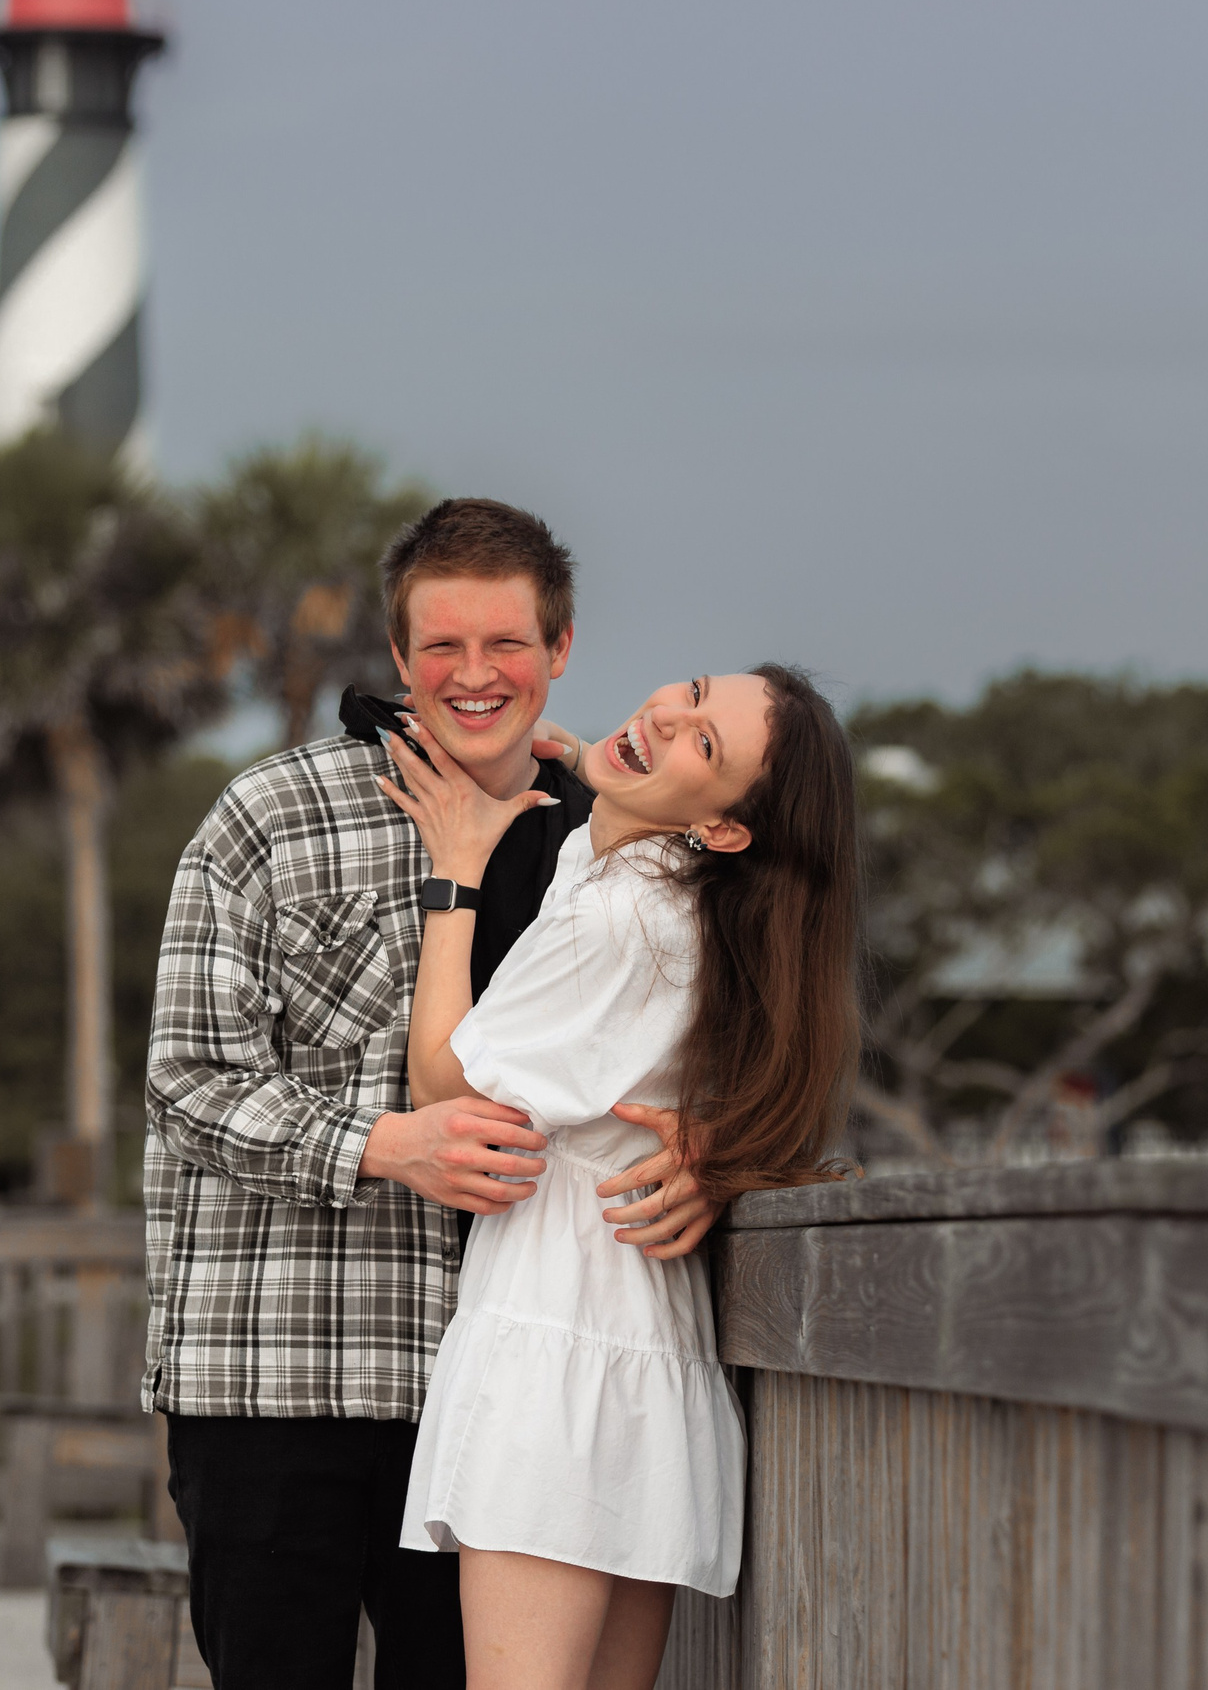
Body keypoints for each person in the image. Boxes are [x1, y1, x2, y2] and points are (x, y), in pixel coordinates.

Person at [142, 499, 724, 1690]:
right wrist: (380, 1144)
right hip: (272, 1374)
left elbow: (687, 1048)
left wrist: (716, 1154)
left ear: (558, 647)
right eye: (441, 647)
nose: (475, 676)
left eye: (506, 644)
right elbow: (185, 1082)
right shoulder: (269, 815)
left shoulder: (603, 835)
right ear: (399, 659)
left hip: (489, 1406)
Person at [374, 665, 862, 1690]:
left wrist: (455, 872)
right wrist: (569, 755)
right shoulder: (651, 886)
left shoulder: (624, 920)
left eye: (704, 745)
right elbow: (608, 808)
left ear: (724, 830)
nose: (668, 714)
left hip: (561, 1337)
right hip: (628, 1340)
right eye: (688, 689)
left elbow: (443, 1085)